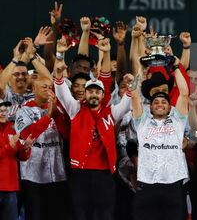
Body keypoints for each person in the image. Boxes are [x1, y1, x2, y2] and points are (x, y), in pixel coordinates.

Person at [54, 37, 134, 220]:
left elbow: (128, 104)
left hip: (104, 174)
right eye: (90, 91)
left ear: (103, 94)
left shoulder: (111, 112)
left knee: (105, 215)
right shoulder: (75, 109)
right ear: (86, 94)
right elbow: (61, 92)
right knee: (81, 214)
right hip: (79, 173)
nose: (94, 95)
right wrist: (58, 73)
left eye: (97, 92)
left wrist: (132, 84)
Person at [130, 57, 189, 220]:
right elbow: (135, 96)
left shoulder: (178, 121)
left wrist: (176, 67)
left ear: (170, 106)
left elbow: (184, 93)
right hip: (147, 184)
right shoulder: (142, 122)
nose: (160, 104)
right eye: (156, 102)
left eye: (164, 101)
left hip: (173, 184)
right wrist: (140, 71)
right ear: (150, 106)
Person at [15, 75, 68, 220]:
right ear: (34, 88)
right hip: (33, 176)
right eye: (44, 87)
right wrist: (48, 115)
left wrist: (55, 113)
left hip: (57, 174)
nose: (48, 90)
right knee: (35, 215)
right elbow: (26, 133)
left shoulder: (58, 110)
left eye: (50, 87)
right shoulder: (23, 111)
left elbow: (67, 133)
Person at [0, 33, 53, 123]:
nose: (21, 77)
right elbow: (1, 86)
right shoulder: (7, 95)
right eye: (16, 74)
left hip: (35, 134)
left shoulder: (36, 93)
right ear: (10, 78)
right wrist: (15, 59)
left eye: (24, 74)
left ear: (28, 76)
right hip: (12, 136)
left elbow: (49, 80)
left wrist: (31, 56)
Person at [0, 99, 34, 220]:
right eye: (0, 111)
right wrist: (9, 146)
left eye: (4, 111)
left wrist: (25, 147)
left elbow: (22, 157)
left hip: (11, 188)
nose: (3, 113)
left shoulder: (11, 129)